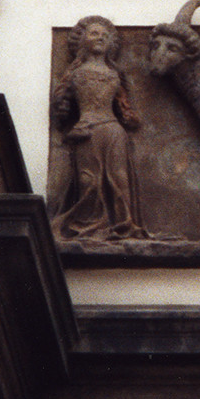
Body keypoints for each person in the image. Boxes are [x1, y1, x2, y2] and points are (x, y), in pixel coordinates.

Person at [50, 15, 147, 241]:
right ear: (82, 40)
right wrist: (70, 131)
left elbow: (127, 110)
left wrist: (130, 116)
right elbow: (61, 111)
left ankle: (125, 225)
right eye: (94, 33)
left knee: (120, 177)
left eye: (105, 35)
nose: (100, 37)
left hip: (113, 130)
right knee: (88, 182)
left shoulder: (114, 74)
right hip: (86, 130)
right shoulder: (74, 74)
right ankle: (88, 226)